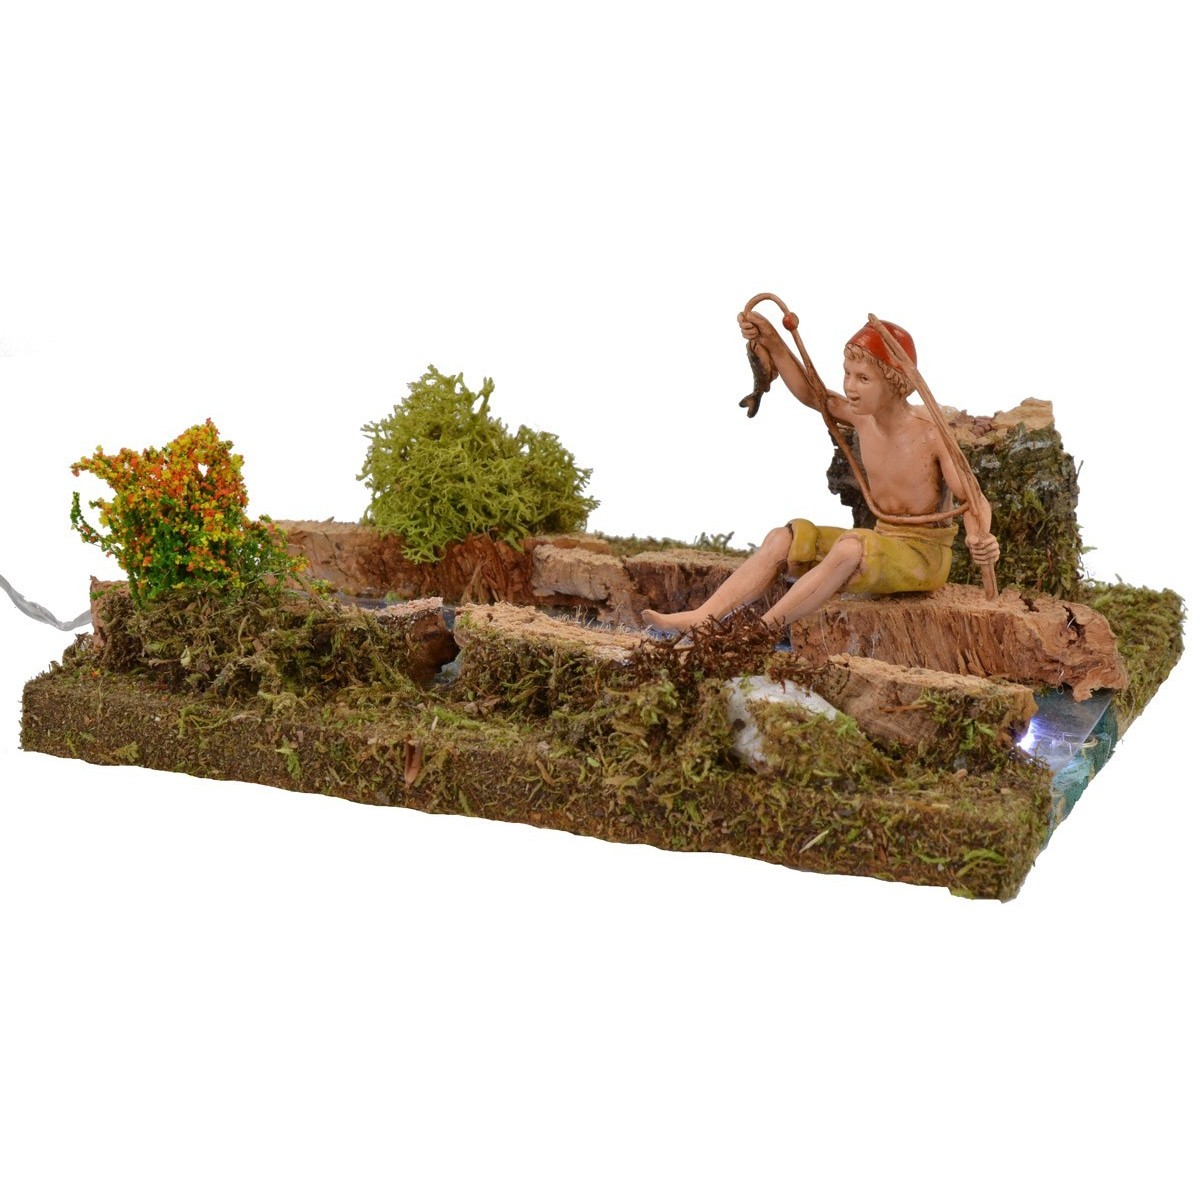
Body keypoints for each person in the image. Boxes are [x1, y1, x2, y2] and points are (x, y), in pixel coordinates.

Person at [641, 312, 1001, 635]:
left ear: (895, 382)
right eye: (847, 374)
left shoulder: (931, 433)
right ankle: (703, 617)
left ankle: (762, 632)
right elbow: (813, 395)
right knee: (785, 538)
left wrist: (979, 537)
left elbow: (974, 500)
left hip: (923, 558)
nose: (850, 387)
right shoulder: (862, 419)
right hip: (882, 541)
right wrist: (773, 341)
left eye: (863, 378)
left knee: (851, 547)